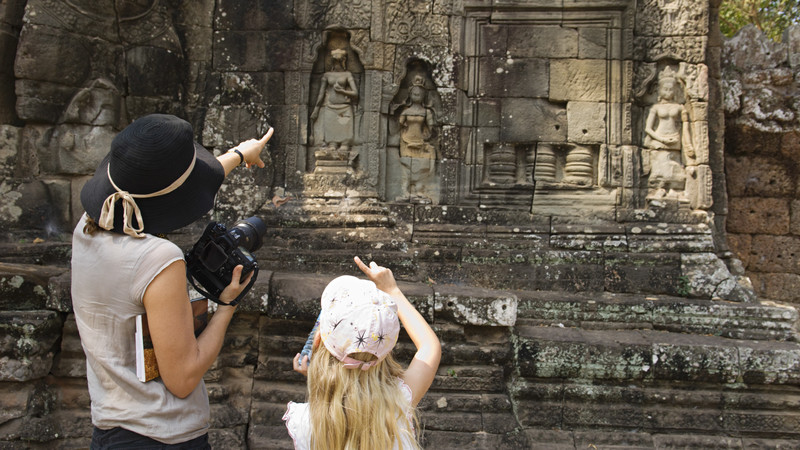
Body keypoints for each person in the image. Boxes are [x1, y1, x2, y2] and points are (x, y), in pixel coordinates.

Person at [71, 113, 272, 448]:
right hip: (163, 435)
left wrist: (238, 155)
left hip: (109, 428)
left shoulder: (87, 228)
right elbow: (182, 378)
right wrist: (227, 305)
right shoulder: (158, 259)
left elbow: (153, 187)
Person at [284, 256, 442, 450]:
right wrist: (393, 291)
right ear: (386, 350)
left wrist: (317, 379)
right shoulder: (400, 402)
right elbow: (429, 346)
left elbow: (338, 404)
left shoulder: (305, 422)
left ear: (317, 342)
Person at [310, 48, 359, 153]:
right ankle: (332, 144)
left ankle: (344, 145)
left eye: (339, 61)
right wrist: (316, 110)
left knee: (344, 138)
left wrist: (342, 91)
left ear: (344, 61)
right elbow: (321, 94)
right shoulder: (327, 75)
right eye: (335, 61)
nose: (337, 63)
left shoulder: (347, 75)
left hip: (344, 107)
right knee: (331, 135)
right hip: (330, 107)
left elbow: (355, 93)